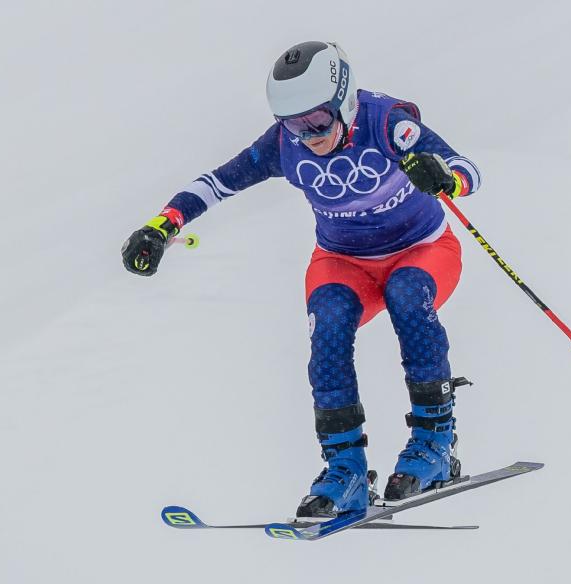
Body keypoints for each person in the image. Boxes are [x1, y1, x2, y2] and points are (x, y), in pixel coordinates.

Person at [121, 41, 481, 518]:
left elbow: (467, 170)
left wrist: (446, 178)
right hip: (344, 260)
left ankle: (434, 445)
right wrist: (161, 225)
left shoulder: (387, 123)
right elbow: (218, 182)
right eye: (294, 124)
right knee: (328, 323)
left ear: (345, 99)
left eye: (317, 121)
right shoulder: (283, 145)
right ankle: (345, 470)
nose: (308, 136)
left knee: (406, 295)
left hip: (423, 249)